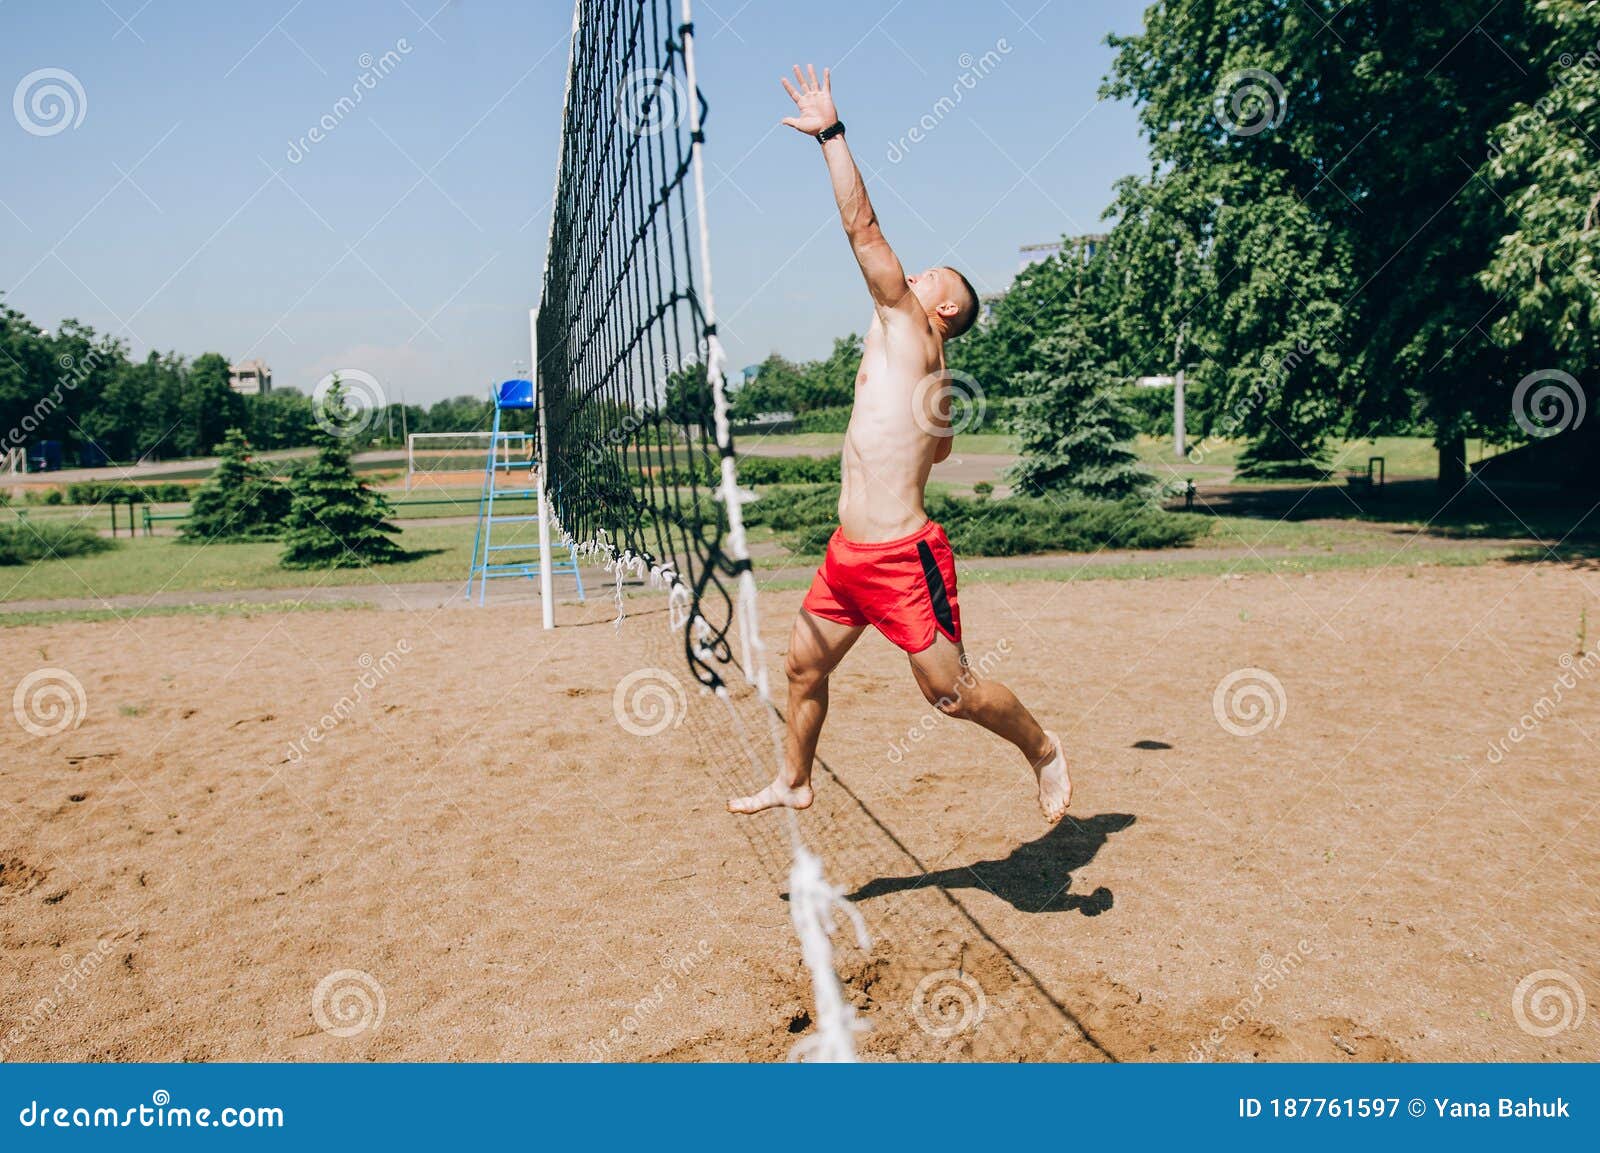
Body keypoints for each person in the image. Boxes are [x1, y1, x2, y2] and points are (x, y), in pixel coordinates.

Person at [728, 65, 1071, 823]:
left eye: (926, 275)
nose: (908, 273)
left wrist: (830, 134)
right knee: (801, 665)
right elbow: (939, 453)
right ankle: (794, 776)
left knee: (951, 694)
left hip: (900, 558)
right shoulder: (927, 368)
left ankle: (1042, 747)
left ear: (943, 304)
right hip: (848, 555)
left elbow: (864, 231)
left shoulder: (910, 321)